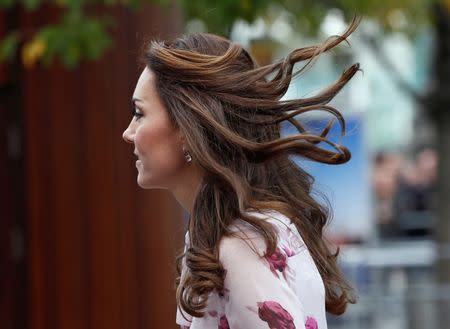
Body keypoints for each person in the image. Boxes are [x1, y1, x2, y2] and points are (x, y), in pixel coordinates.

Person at [122, 16, 361, 329]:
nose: (128, 132)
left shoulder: (242, 243)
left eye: (140, 113)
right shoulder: (232, 235)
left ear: (187, 128)